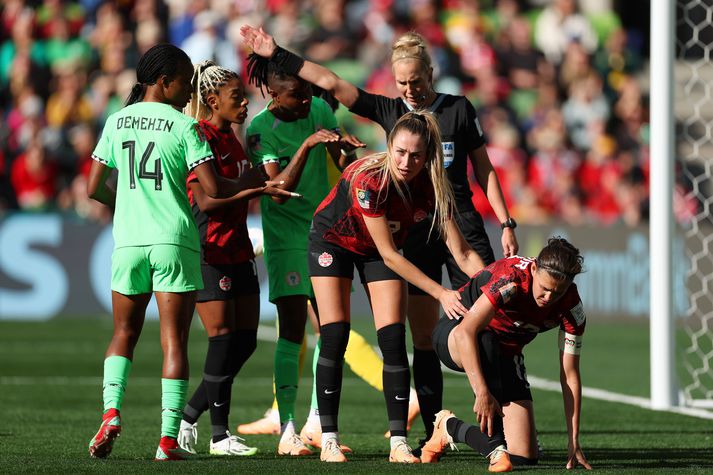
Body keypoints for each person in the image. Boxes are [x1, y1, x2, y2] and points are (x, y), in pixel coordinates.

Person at [240, 26, 519, 442]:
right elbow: (331, 82)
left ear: (430, 73)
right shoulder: (392, 112)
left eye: (417, 81)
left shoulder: (459, 109)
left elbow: (484, 168)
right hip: (416, 232)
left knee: (489, 325)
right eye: (402, 82)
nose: (410, 89)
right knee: (422, 337)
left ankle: (506, 420)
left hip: (460, 228)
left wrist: (506, 222)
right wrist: (277, 53)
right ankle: (432, 432)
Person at [85, 44, 275, 461]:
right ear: (164, 82)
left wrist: (128, 206)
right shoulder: (184, 126)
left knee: (123, 334)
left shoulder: (117, 121)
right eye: (185, 78)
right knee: (175, 342)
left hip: (129, 242)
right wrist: (257, 184)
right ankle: (168, 441)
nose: (189, 85)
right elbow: (213, 188)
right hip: (173, 240)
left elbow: (93, 187)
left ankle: (111, 411)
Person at [307, 110, 485, 463]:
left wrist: (494, 286)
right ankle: (328, 438)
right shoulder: (370, 179)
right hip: (333, 242)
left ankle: (399, 442)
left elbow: (463, 252)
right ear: (389, 146)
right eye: (400, 152)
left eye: (416, 155)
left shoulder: (434, 184)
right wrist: (441, 292)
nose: (406, 162)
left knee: (392, 338)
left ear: (428, 155)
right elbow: (390, 256)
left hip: (379, 248)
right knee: (335, 334)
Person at [242, 50, 366, 457]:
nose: (305, 100)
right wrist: (310, 143)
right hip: (286, 236)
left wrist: (349, 152)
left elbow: (340, 162)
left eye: (308, 93)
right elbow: (276, 190)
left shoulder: (318, 109)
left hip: (326, 234)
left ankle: (317, 421)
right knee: (292, 330)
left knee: (331, 331)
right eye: (296, 95)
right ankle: (287, 429)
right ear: (274, 95)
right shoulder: (261, 129)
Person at [174, 61, 293, 457]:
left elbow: (246, 184)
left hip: (239, 249)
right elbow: (207, 201)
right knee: (222, 339)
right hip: (211, 250)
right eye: (236, 99)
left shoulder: (233, 139)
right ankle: (219, 435)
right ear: (212, 102)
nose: (244, 104)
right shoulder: (198, 136)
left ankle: (188, 415)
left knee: (244, 343)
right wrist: (253, 187)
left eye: (244, 97)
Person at [419, 237, 592, 472]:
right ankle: (496, 448)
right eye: (545, 288)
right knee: (487, 339)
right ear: (533, 269)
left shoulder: (572, 307)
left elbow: (570, 375)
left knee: (524, 456)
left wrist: (574, 440)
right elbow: (466, 332)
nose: (549, 298)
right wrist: (481, 392)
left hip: (505, 353)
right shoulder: (511, 279)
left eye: (558, 292)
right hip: (455, 334)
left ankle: (448, 428)